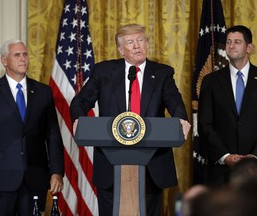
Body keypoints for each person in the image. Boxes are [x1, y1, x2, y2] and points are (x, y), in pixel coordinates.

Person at [70, 23, 191, 216]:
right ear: (120, 49)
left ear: (147, 44)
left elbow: (174, 102)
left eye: (141, 40)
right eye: (130, 42)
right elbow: (81, 101)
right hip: (111, 163)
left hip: (151, 165)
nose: (137, 46)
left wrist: (181, 119)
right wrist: (78, 119)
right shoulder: (104, 72)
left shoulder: (162, 73)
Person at [0, 39, 64, 215]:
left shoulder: (43, 92)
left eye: (25, 54)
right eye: (17, 55)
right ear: (4, 61)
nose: (23, 59)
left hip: (35, 178)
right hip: (0, 179)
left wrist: (57, 171)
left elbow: (52, 134)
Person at [198, 25, 257, 186]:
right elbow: (205, 124)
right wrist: (225, 156)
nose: (231, 46)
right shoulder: (211, 81)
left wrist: (254, 157)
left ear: (249, 47)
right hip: (222, 170)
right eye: (228, 42)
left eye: (237, 42)